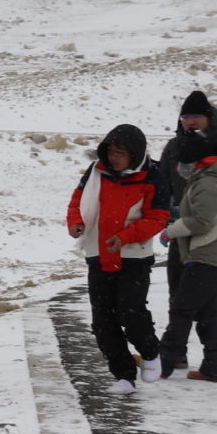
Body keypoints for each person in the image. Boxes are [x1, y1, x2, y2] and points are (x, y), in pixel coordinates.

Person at [66, 124, 170, 392]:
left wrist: (125, 237)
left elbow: (158, 217)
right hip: (98, 253)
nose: (113, 157)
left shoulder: (154, 174)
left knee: (131, 313)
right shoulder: (96, 171)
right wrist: (76, 222)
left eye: (120, 153)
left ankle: (149, 351)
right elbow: (78, 200)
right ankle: (124, 376)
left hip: (133, 257)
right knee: (102, 321)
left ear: (134, 154)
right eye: (111, 151)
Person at [158, 90, 217, 369]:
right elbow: (163, 182)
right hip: (179, 231)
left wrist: (203, 148)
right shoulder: (173, 146)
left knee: (214, 298)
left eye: (196, 117)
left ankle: (216, 355)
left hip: (214, 233)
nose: (190, 122)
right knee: (178, 292)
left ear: (209, 118)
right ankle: (179, 354)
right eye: (185, 117)